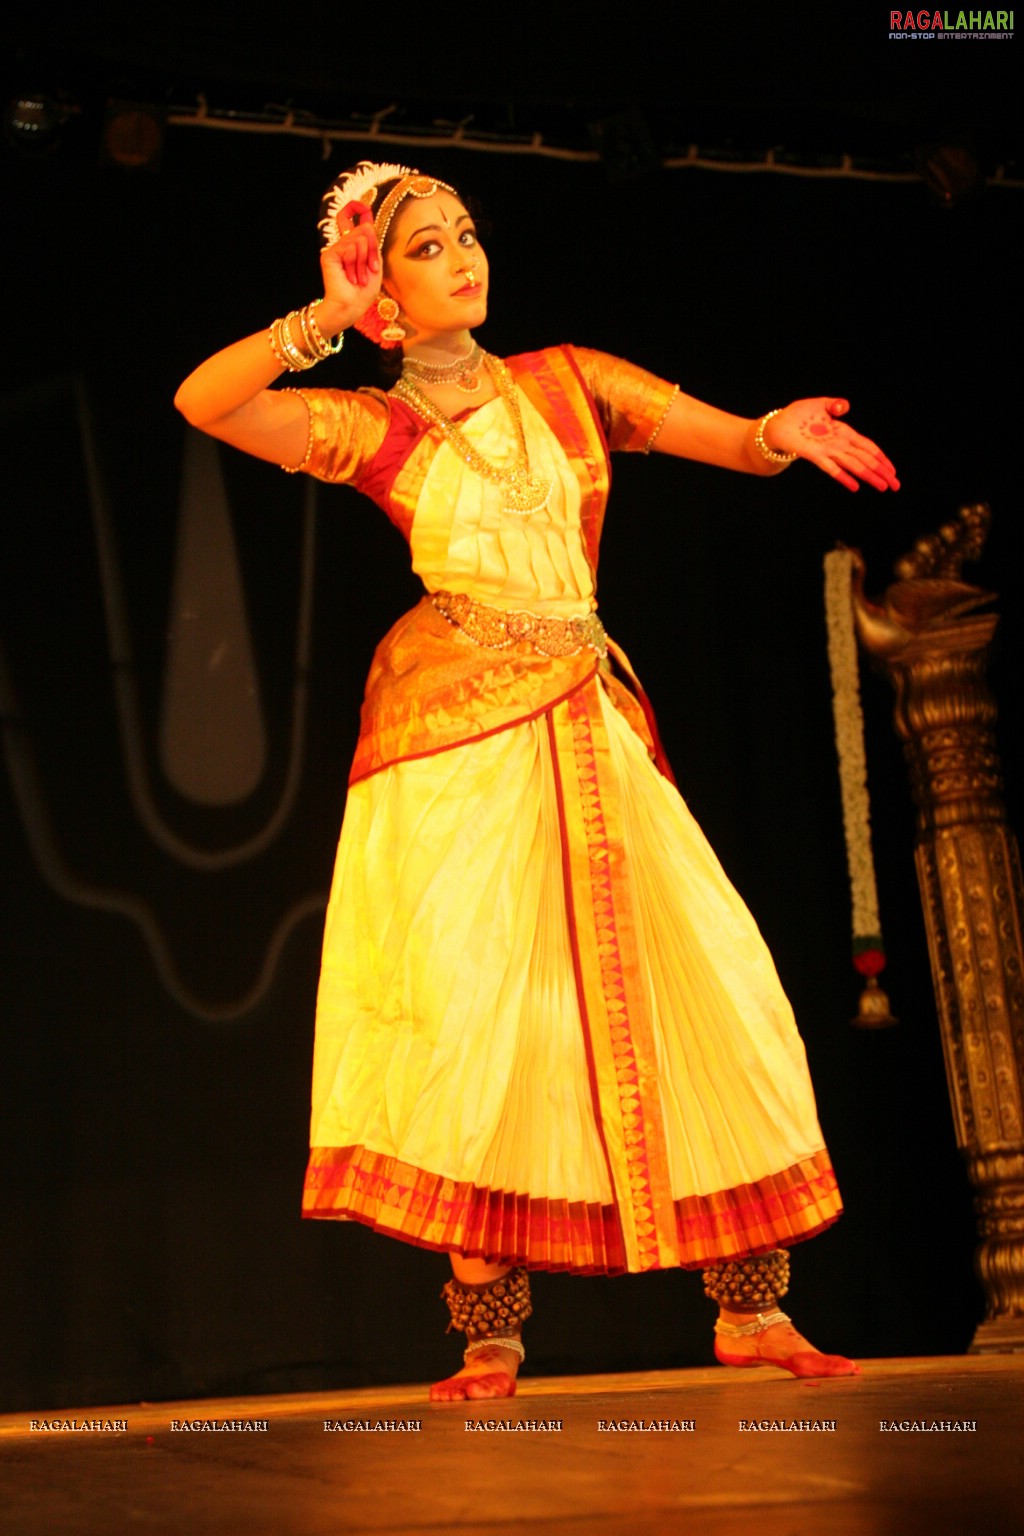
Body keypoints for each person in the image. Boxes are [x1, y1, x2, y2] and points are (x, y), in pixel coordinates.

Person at [175, 160, 899, 1404]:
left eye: (467, 235)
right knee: (479, 1023)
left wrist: (774, 436)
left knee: (703, 981)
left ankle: (751, 1308)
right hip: (458, 745)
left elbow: (725, 440)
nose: (464, 257)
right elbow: (206, 403)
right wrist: (324, 326)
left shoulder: (569, 383)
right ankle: (490, 1335)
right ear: (381, 287)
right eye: (425, 248)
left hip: (589, 717)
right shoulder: (377, 425)